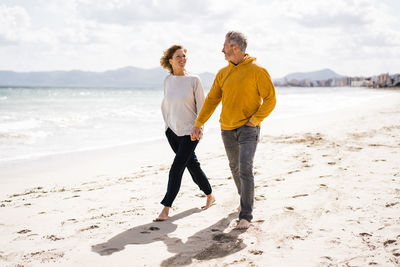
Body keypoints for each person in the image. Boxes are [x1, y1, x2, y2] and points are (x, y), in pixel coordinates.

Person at [191, 31, 276, 229]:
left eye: (225, 46)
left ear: (235, 48)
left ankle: (246, 214)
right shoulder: (223, 73)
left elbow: (270, 99)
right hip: (227, 129)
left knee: (245, 168)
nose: (222, 49)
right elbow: (212, 100)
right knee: (235, 168)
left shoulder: (257, 70)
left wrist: (255, 120)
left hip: (248, 128)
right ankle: (244, 201)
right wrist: (198, 123)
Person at [155, 44, 215, 221]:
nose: (182, 59)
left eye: (184, 56)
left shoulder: (194, 80)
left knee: (177, 167)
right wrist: (167, 126)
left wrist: (199, 126)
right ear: (170, 60)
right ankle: (210, 194)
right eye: (178, 56)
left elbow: (202, 107)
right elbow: (167, 105)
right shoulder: (167, 80)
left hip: (191, 132)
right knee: (192, 165)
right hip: (172, 131)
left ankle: (166, 208)